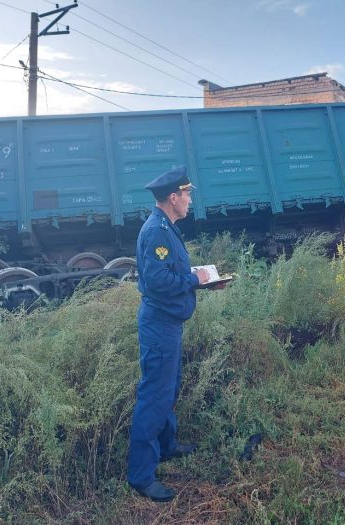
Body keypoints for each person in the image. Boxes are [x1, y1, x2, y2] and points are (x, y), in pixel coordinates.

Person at [127, 166, 210, 502]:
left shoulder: (167, 228)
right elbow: (159, 282)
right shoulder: (158, 231)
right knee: (154, 396)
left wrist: (198, 278)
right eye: (187, 194)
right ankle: (141, 476)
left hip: (168, 325)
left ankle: (167, 445)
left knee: (169, 386)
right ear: (174, 198)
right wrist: (195, 280)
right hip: (160, 325)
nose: (190, 200)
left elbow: (166, 272)